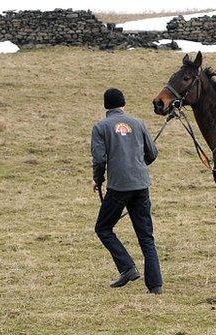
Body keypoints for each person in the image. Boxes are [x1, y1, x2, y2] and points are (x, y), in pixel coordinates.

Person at [91, 88, 163, 294]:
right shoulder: (138, 123)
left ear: (106, 106)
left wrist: (98, 179)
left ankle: (127, 268)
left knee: (103, 228)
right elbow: (152, 153)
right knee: (146, 236)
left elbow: (99, 159)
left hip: (119, 186)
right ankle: (155, 285)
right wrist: (138, 165)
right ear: (123, 104)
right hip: (141, 184)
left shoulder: (100, 127)